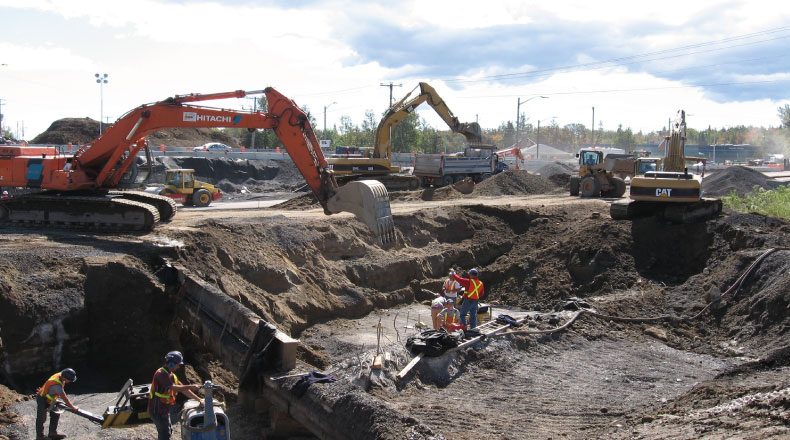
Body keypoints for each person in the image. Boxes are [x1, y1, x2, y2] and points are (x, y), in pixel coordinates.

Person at [148, 351, 203, 440]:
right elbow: (173, 387)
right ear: (171, 363)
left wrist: (199, 399)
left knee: (167, 432)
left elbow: (184, 389)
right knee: (164, 435)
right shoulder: (161, 374)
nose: (178, 366)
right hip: (157, 411)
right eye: (177, 364)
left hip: (163, 410)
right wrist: (191, 386)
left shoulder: (171, 376)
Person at [36, 368, 79, 440]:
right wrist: (73, 407)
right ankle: (40, 437)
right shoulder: (57, 385)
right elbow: (65, 398)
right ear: (65, 378)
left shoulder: (61, 375)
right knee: (41, 418)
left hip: (50, 398)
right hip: (42, 399)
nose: (70, 381)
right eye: (70, 380)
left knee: (55, 414)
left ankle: (52, 433)